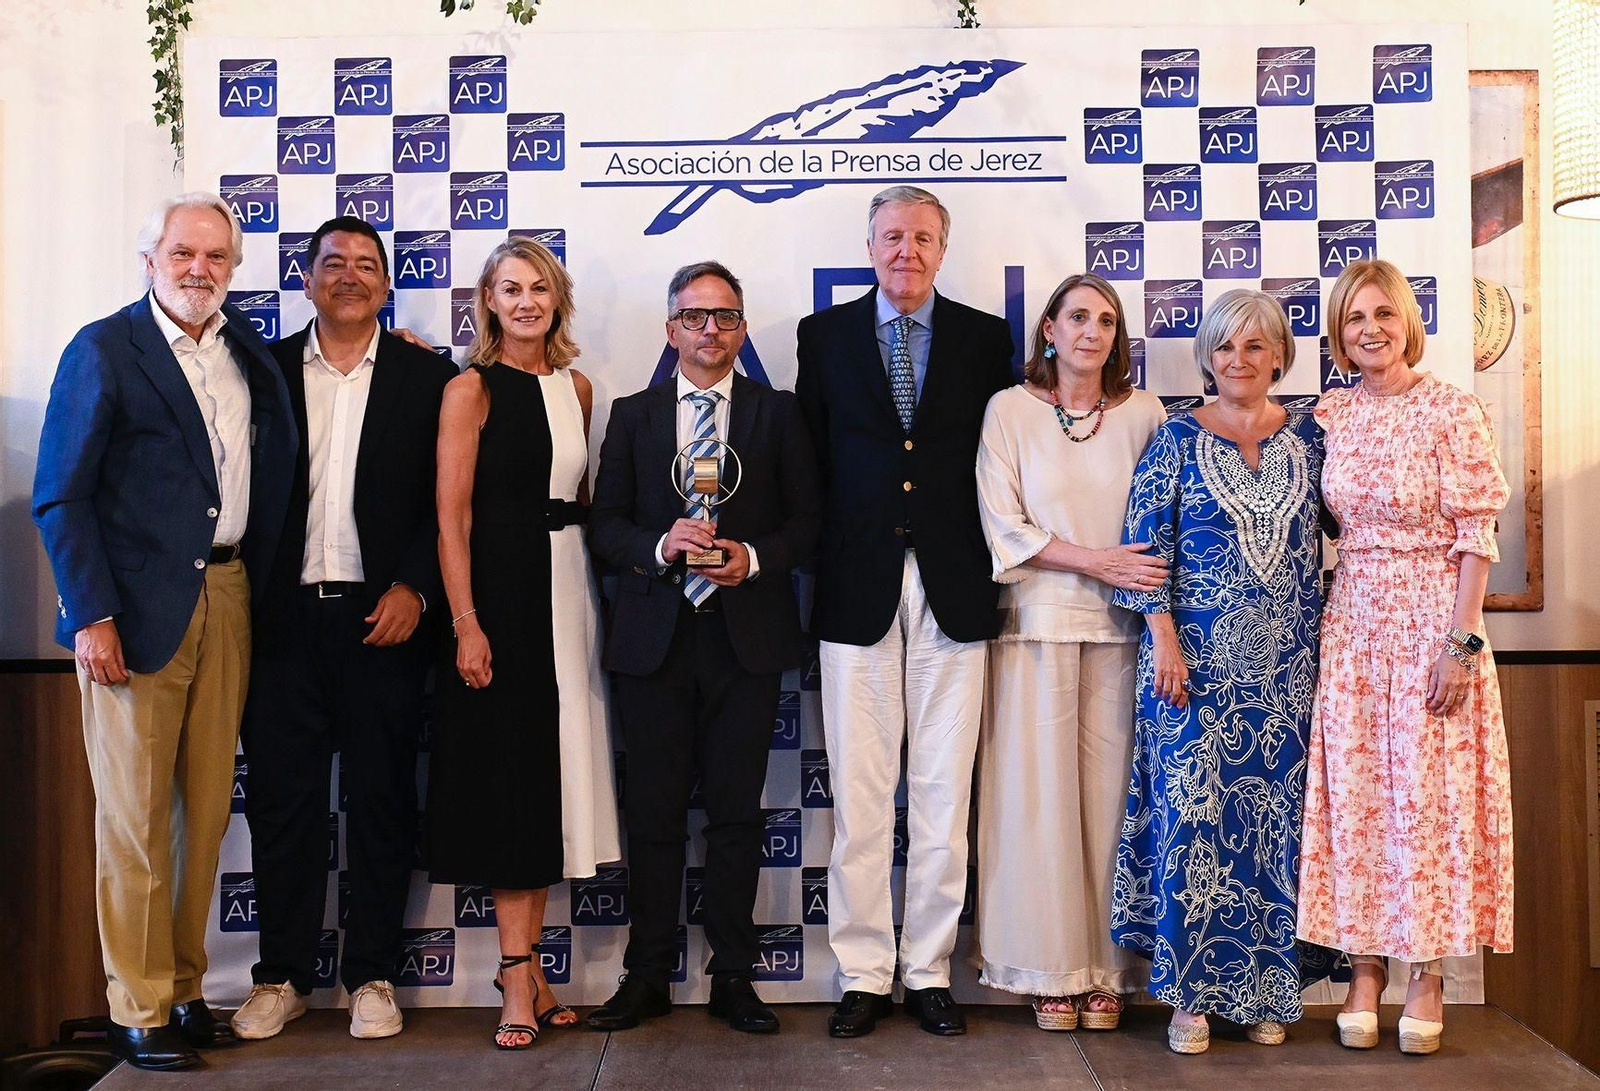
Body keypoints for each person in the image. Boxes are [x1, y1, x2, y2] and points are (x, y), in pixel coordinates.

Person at [32, 192, 295, 1070]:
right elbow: (60, 493)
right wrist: (89, 614)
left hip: (227, 597)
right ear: (150, 259)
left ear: (234, 267)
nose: (199, 270)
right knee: (136, 819)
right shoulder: (105, 347)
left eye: (216, 257)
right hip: (131, 615)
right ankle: (135, 1000)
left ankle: (184, 987)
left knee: (206, 813)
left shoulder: (246, 350)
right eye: (183, 253)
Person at [229, 217, 457, 1043]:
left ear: (388, 284)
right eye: (335, 263)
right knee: (283, 806)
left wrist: (415, 587)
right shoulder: (260, 369)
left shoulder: (428, 377)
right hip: (281, 622)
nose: (350, 276)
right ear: (308, 277)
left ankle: (371, 974)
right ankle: (280, 976)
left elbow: (451, 506)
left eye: (367, 265)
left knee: (382, 803)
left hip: (384, 620)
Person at [796, 186, 1014, 1038]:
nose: (906, 251)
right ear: (870, 244)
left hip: (956, 587)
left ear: (942, 247)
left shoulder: (983, 338)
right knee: (858, 791)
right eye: (892, 236)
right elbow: (811, 463)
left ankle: (926, 971)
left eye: (922, 237)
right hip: (856, 587)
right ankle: (861, 973)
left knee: (941, 794)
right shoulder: (824, 336)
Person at [587, 261, 821, 1034]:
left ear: (742, 328)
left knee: (734, 816)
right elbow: (605, 524)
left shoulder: (776, 415)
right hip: (653, 640)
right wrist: (660, 544)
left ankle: (733, 976)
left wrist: (750, 557)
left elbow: (807, 526)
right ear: (670, 329)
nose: (709, 329)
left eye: (723, 316)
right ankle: (647, 972)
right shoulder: (632, 414)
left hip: (743, 639)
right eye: (694, 316)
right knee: (652, 815)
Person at [1109, 288, 1335, 1054]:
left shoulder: (1312, 440)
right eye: (1226, 347)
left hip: (1287, 674)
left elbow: (1367, 527)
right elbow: (1143, 554)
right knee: (1192, 824)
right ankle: (1190, 999)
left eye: (1256, 346)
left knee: (1275, 828)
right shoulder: (1174, 438)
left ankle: (1270, 991)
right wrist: (1164, 638)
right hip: (1191, 672)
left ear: (1280, 355)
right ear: (1207, 356)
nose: (1240, 360)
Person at [1296, 259, 1513, 1056]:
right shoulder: (1332, 416)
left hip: (1431, 625)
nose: (1371, 330)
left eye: (1384, 313)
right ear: (1338, 332)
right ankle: (1363, 971)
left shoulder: (1452, 409)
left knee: (1428, 802)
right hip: (1353, 623)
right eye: (1354, 318)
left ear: (1408, 321)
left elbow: (1476, 533)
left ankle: (1426, 973)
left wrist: (1460, 643)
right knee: (1358, 800)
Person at [426, 236, 620, 1050]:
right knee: (512, 784)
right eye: (511, 289)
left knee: (551, 786)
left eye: (539, 287)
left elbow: (579, 499)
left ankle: (535, 972)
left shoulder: (577, 387)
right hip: (501, 599)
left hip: (568, 595)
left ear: (558, 298)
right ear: (490, 301)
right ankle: (513, 976)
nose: (527, 301)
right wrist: (466, 621)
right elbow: (451, 515)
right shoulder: (470, 389)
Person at [973, 273, 1164, 1033]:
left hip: (1122, 629)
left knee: (1114, 803)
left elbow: (1162, 522)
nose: (1091, 331)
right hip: (1035, 626)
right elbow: (1003, 522)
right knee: (1036, 803)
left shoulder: (1145, 413)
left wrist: (1131, 583)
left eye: (1106, 320)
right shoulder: (1009, 410)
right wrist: (1096, 560)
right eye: (1077, 316)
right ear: (1048, 328)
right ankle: (1046, 968)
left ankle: (1109, 971)